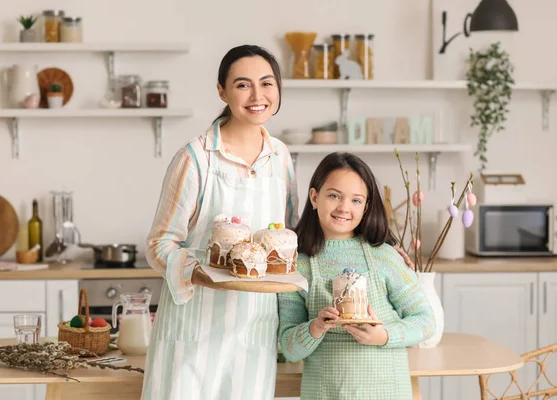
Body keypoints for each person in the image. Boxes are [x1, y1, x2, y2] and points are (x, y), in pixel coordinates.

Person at [140, 44, 299, 400]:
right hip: (194, 327)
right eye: (243, 85)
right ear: (222, 92)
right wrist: (202, 274)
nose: (257, 95)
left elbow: (290, 235)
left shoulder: (281, 157)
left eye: (267, 83)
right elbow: (158, 244)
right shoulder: (195, 158)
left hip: (254, 329)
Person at [278, 152, 436, 400]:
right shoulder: (297, 265)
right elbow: (289, 348)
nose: (344, 207)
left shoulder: (384, 257)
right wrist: (316, 327)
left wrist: (383, 336)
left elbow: (426, 321)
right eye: (334, 196)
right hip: (324, 392)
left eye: (356, 200)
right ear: (314, 197)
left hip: (388, 391)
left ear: (366, 206)